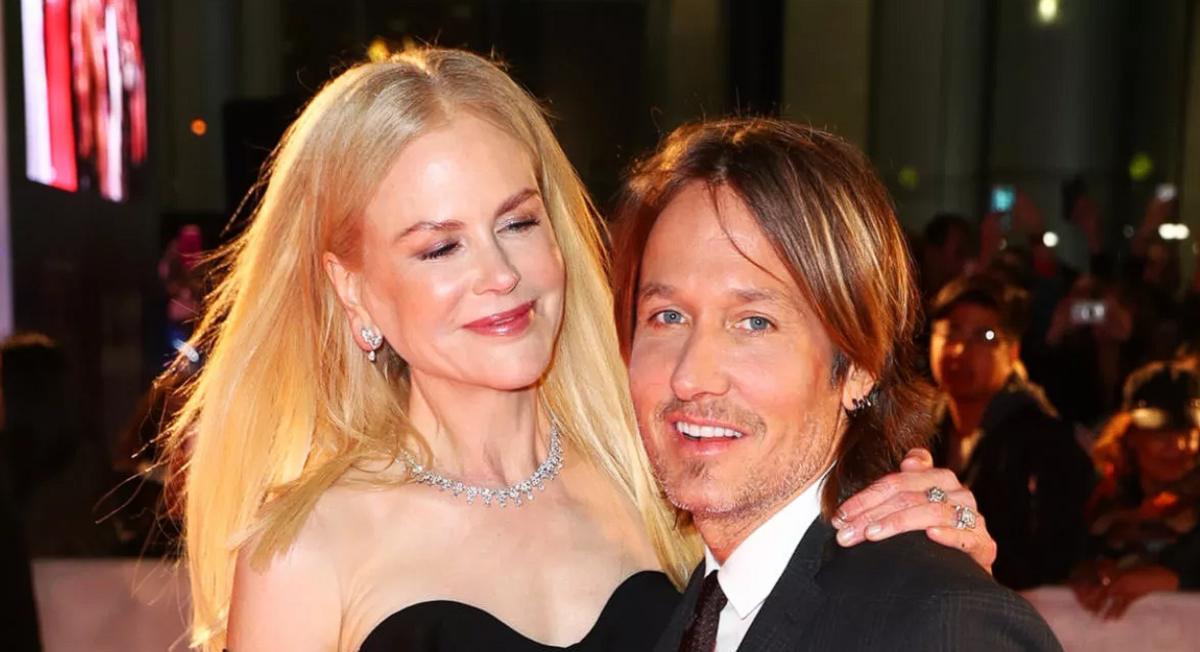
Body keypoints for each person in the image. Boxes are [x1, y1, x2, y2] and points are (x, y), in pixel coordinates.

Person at [165, 48, 996, 652]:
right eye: (440, 246)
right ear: (353, 288)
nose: (500, 274)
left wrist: (938, 543)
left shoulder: (666, 465)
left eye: (518, 223)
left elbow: (826, 594)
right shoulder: (307, 548)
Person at [611, 118, 1060, 652]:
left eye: (754, 323)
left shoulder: (945, 624)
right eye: (667, 316)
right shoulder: (680, 605)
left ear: (859, 366)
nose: (690, 377)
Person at [929, 274, 1095, 589]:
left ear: (1013, 351)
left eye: (984, 336)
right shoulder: (915, 430)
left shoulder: (1045, 441)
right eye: (951, 332)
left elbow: (1054, 557)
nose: (960, 350)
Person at [1071, 361, 1200, 619]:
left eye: (1189, 432)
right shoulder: (1099, 502)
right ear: (1129, 434)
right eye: (1161, 432)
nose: (1178, 445)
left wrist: (1174, 575)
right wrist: (1083, 572)